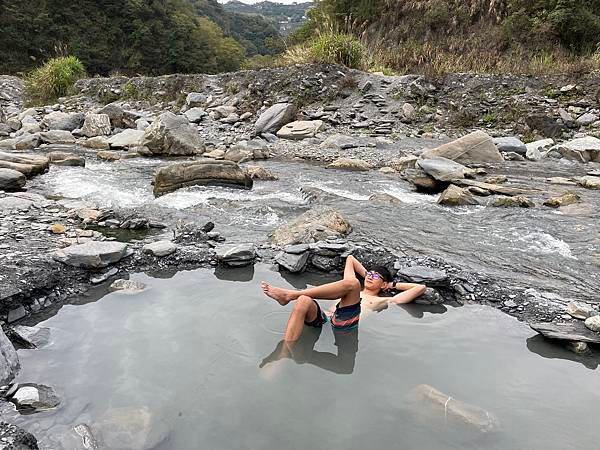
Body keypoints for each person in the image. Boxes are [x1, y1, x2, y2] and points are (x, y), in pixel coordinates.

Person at [261, 255, 427, 343]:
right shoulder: (351, 288)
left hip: (344, 327)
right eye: (369, 273)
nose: (370, 276)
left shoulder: (384, 301)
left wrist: (390, 285)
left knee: (352, 284)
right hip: (326, 318)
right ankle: (284, 353)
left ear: (383, 284)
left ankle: (290, 295)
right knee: (304, 300)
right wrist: (369, 276)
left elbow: (420, 288)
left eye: (376, 276)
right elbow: (351, 259)